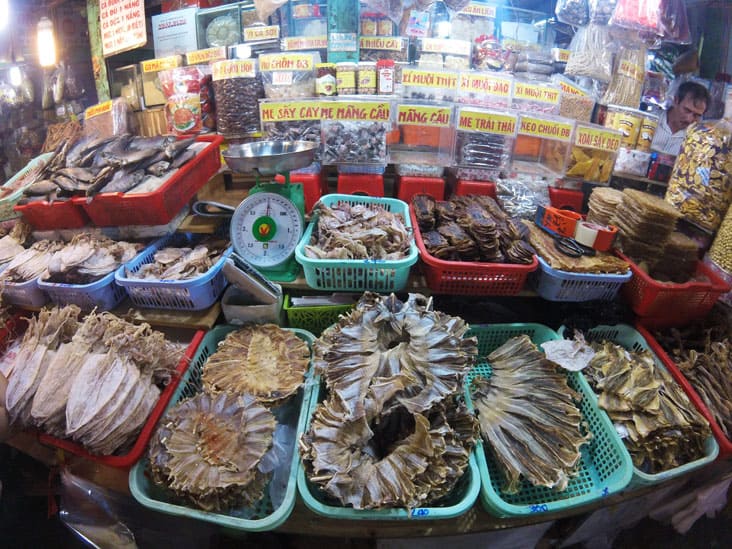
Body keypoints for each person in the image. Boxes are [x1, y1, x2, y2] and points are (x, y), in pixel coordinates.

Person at [651, 81, 710, 156]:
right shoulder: (649, 120)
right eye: (687, 110)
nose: (689, 119)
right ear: (676, 101)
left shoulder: (696, 141)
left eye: (696, 115)